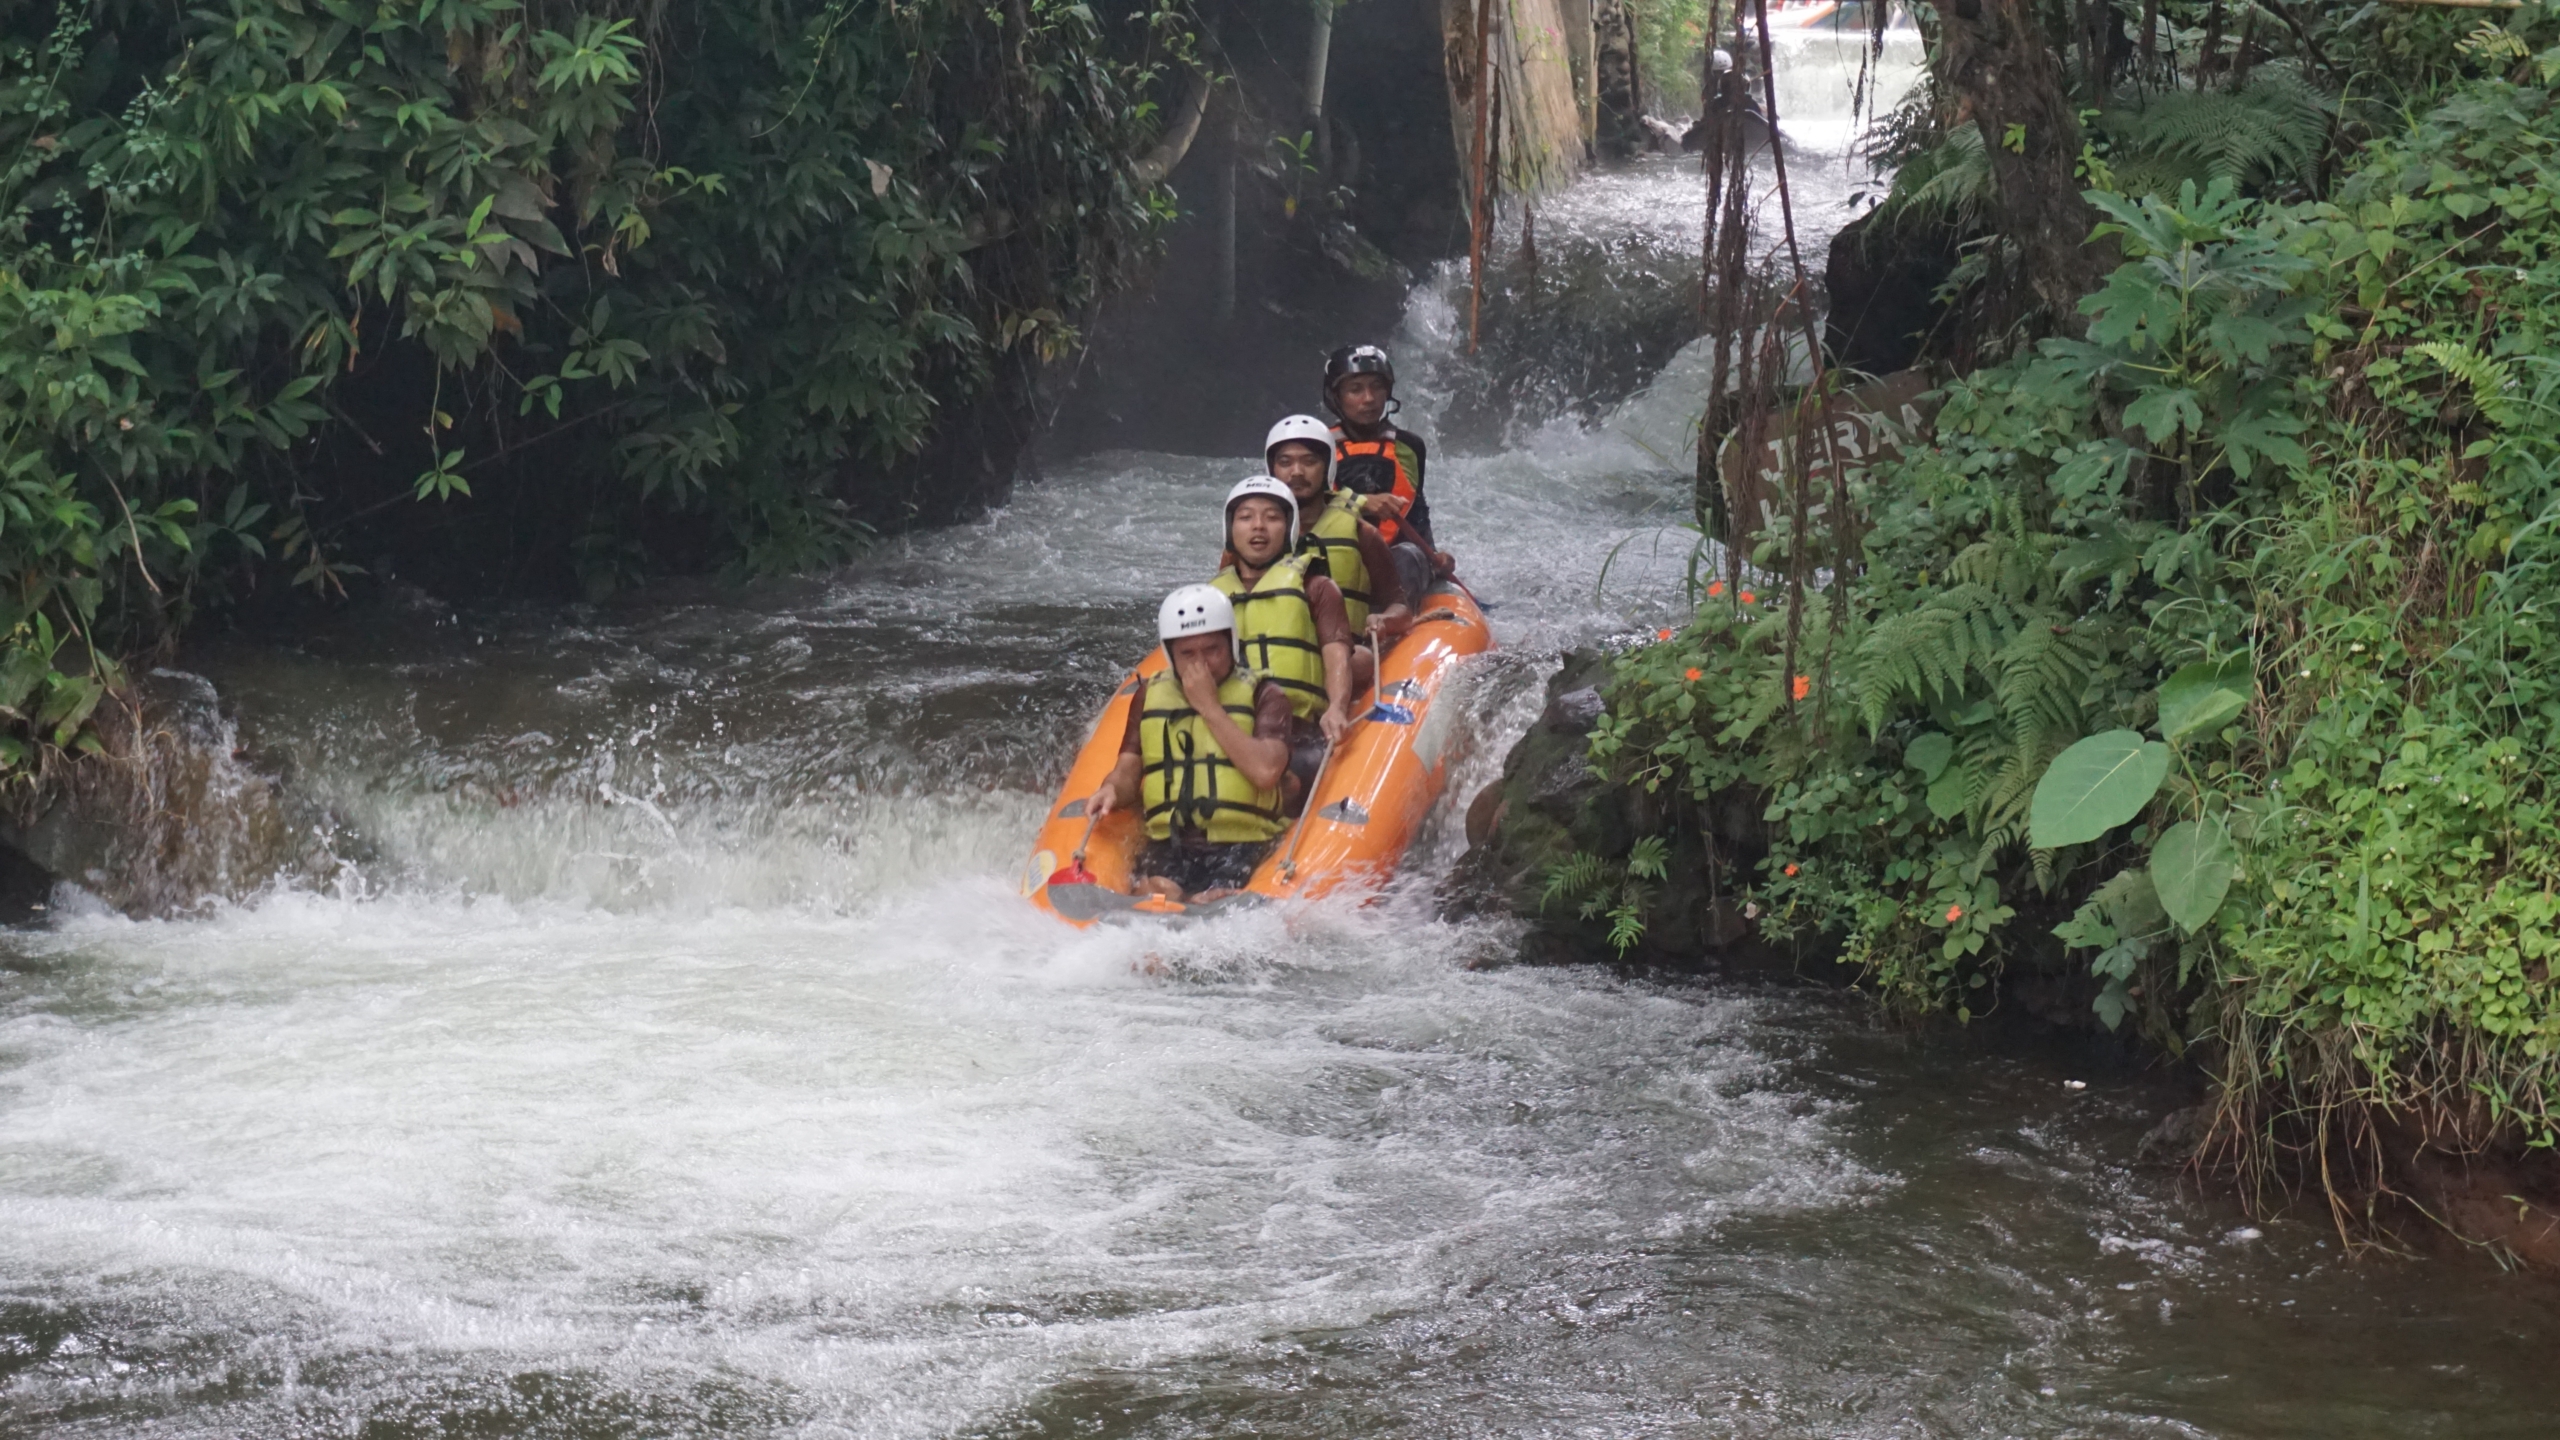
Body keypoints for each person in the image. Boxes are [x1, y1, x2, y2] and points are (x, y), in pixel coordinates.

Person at [1086, 585, 1293, 902]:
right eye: (1188, 654)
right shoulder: (1149, 695)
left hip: (1243, 843)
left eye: (1212, 650)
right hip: (1170, 844)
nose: (1202, 664)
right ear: (1170, 654)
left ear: (1231, 644)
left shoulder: (1266, 694)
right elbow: (1128, 769)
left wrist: (1209, 707)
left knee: (1211, 899)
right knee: (1158, 893)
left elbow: (1266, 772)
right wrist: (1112, 789)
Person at [1211, 477, 1358, 812]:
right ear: (1230, 530)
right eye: (1246, 517)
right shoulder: (1211, 596)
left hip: (1297, 728)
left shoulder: (1317, 587)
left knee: (1302, 771)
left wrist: (1336, 706)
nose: (1258, 527)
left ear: (1290, 528)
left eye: (1272, 517)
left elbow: (1335, 653)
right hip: (1230, 723)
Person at [1262, 413, 1413, 653]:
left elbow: (1400, 607)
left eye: (1309, 461)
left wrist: (1384, 620)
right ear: (1272, 469)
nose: (1297, 472)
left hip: (1349, 655)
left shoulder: (1361, 532)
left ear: (1327, 468)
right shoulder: (1252, 537)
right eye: (1285, 462)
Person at [1322, 344, 1454, 607]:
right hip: (1334, 557)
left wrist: (1433, 554)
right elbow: (1301, 508)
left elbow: (1416, 511)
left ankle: (1394, 623)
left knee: (1408, 555)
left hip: (1394, 560)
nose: (1369, 398)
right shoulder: (1316, 447)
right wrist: (1360, 503)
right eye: (1355, 389)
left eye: (1376, 387)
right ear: (1336, 396)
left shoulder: (1409, 446)